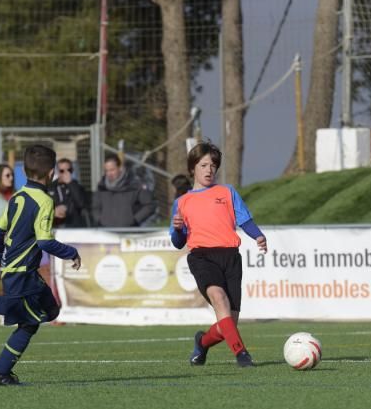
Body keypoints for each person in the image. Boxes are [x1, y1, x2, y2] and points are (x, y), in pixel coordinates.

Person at [0, 144, 82, 386]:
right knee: (29, 321)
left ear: (24, 171)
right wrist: (71, 252)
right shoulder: (44, 200)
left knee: (51, 311)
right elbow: (44, 241)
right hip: (21, 273)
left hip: (20, 270)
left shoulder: (17, 197)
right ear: (51, 173)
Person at [170, 140, 268, 368]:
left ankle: (202, 342)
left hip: (231, 258)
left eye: (213, 165)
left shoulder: (227, 192)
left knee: (228, 324)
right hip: (202, 257)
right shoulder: (182, 202)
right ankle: (242, 354)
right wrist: (177, 230)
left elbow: (244, 219)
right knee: (219, 298)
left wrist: (258, 236)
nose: (209, 169)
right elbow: (178, 242)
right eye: (204, 165)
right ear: (193, 167)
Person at [92, 153, 155, 227]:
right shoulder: (101, 187)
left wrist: (134, 220)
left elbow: (149, 205)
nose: (109, 173)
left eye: (112, 170)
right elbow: (95, 207)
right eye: (107, 171)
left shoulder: (134, 184)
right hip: (106, 233)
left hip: (129, 232)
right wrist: (100, 220)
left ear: (120, 168)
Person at [48, 158, 92, 227]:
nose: (66, 173)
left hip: (73, 226)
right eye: (62, 171)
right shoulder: (50, 187)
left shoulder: (77, 187)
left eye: (69, 170)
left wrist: (70, 183)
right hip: (55, 226)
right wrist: (53, 211)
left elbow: (81, 203)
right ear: (57, 172)